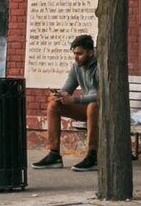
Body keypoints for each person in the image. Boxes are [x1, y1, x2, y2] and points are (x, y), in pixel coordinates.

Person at [39, 34, 98, 169]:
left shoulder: (100, 66)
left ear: (90, 52)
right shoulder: (77, 66)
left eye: (80, 54)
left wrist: (75, 99)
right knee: (54, 105)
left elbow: (101, 96)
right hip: (88, 109)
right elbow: (67, 88)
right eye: (74, 54)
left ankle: (92, 156)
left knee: (93, 106)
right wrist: (59, 95)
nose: (76, 57)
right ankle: (54, 155)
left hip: (104, 110)